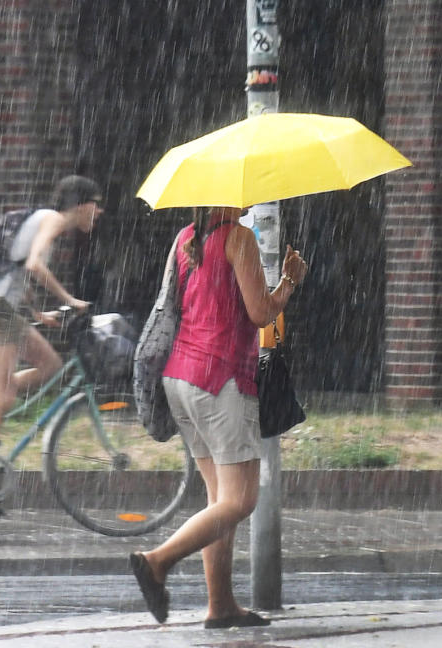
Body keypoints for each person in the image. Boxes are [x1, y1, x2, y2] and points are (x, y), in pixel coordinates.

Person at [129, 206, 308, 628]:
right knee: (240, 500)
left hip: (181, 378)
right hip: (221, 380)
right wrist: (289, 281)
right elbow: (261, 313)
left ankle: (221, 605)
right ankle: (156, 561)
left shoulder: (186, 237)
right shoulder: (237, 238)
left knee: (218, 502)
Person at [0, 175, 104, 516]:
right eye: (96, 204)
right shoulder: (52, 219)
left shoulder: (42, 222)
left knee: (51, 367)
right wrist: (70, 299)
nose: (99, 211)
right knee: (5, 396)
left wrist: (38, 312)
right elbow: (34, 265)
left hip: (3, 308)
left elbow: (18, 270)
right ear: (81, 205)